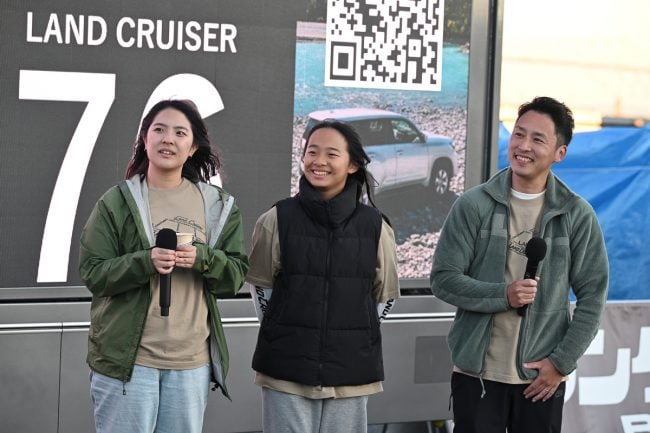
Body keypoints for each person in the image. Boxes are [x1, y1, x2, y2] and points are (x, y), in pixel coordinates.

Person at [430, 96, 608, 433]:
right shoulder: (473, 205)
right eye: (518, 134)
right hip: (476, 376)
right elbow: (443, 279)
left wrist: (561, 363)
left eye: (538, 139)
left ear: (559, 153)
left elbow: (593, 296)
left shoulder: (576, 214)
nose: (523, 146)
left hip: (540, 380)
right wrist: (504, 295)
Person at [79, 99, 249, 433]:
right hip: (129, 363)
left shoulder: (218, 206)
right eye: (159, 129)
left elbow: (234, 276)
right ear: (144, 139)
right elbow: (94, 273)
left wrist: (203, 259)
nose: (168, 139)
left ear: (193, 147)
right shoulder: (117, 201)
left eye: (180, 133)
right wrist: (145, 261)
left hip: (191, 364)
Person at [246, 119, 400, 433]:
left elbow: (385, 296)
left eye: (331, 154)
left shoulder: (376, 226)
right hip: (286, 370)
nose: (319, 161)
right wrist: (281, 330)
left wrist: (355, 336)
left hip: (350, 373)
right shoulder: (276, 219)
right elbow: (261, 287)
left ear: (353, 165)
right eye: (312, 152)